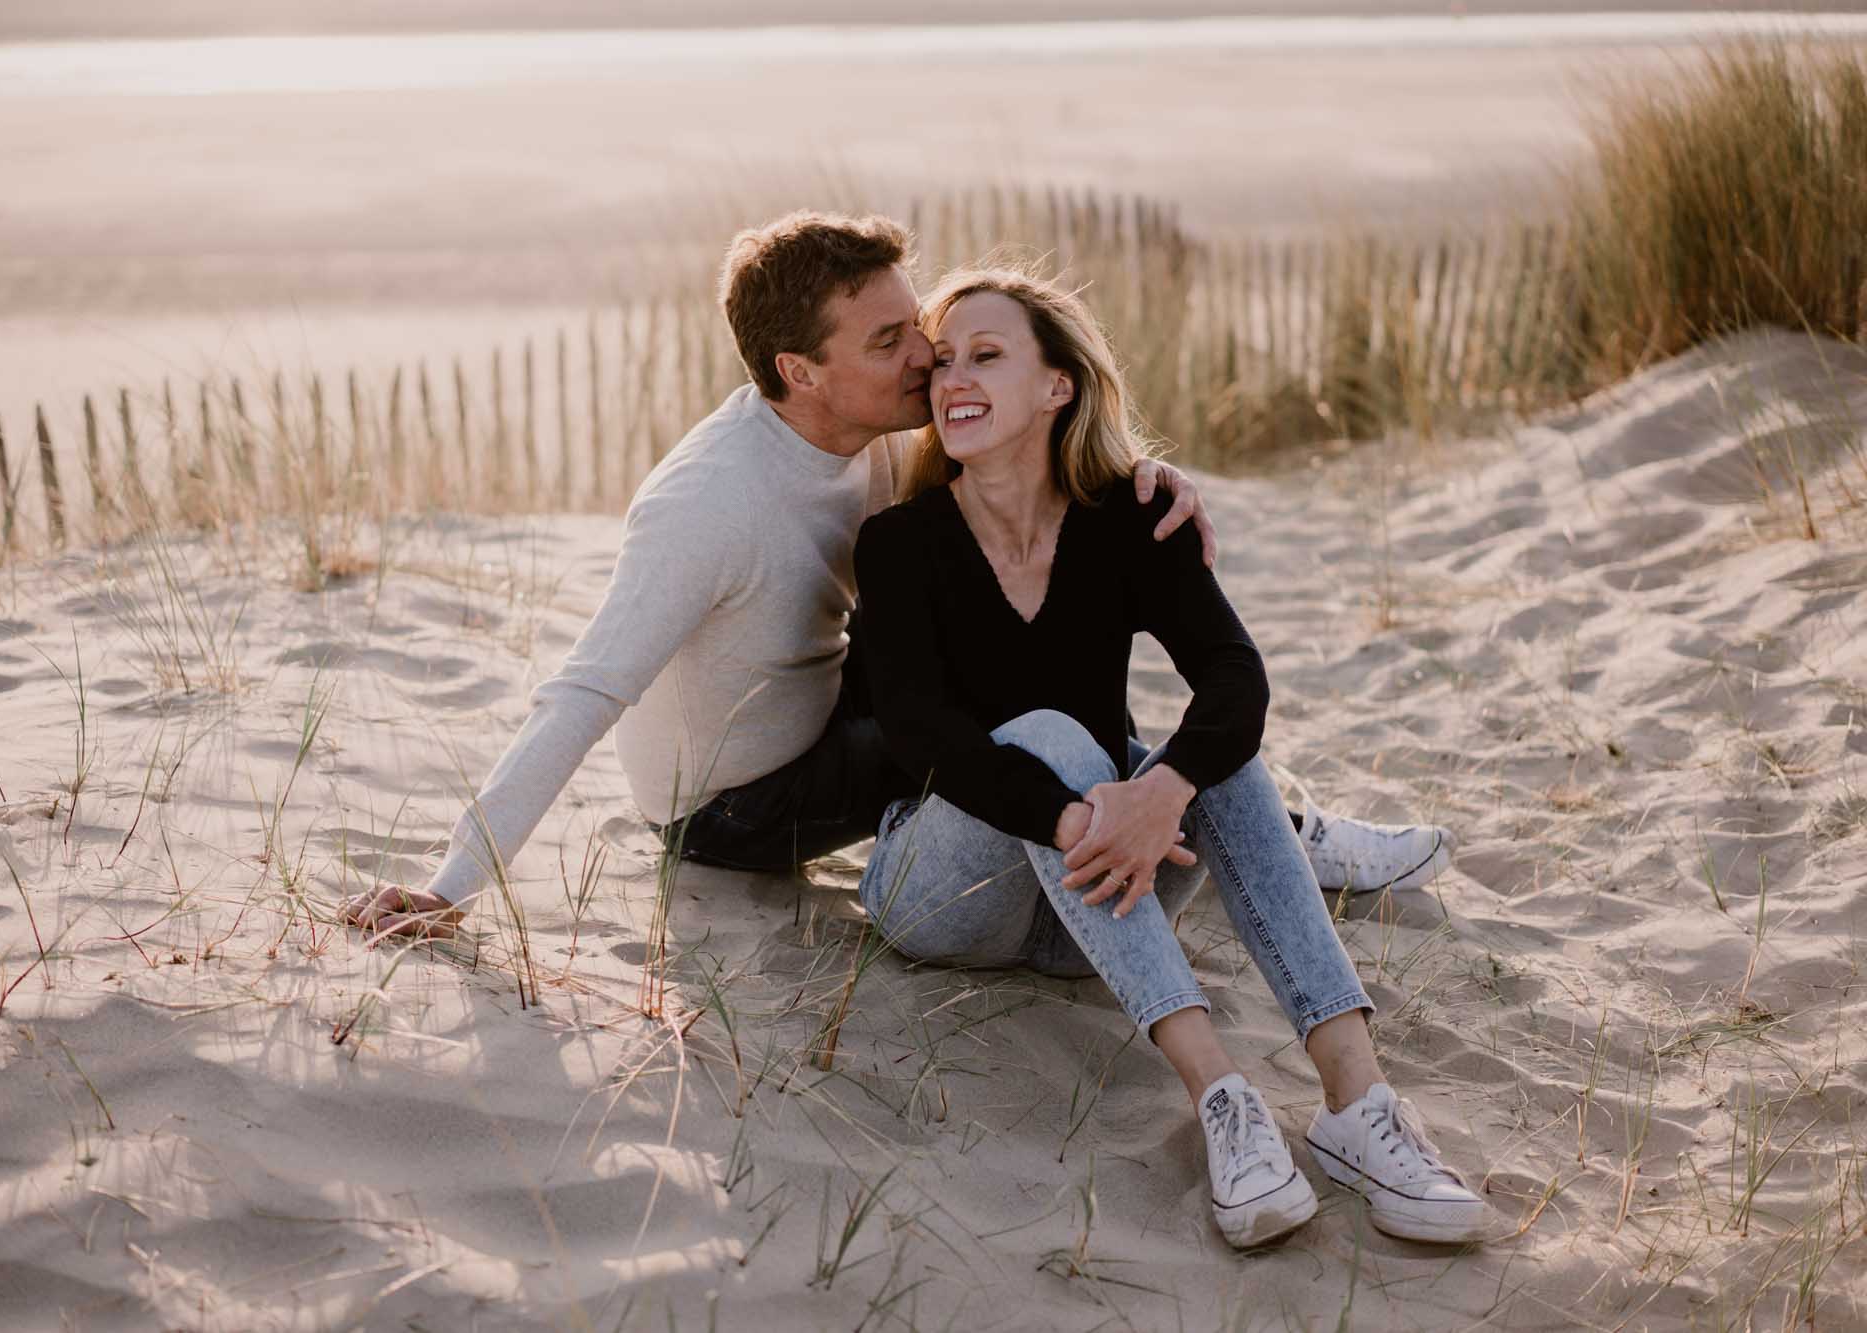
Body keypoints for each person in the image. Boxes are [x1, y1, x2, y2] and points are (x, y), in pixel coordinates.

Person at [343, 211, 1450, 948]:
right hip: (734, 805)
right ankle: (1233, 828)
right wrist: (451, 882)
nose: (927, 360)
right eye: (890, 342)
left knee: (1016, 630)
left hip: (838, 703)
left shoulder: (878, 425)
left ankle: (1236, 817)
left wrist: (1136, 478)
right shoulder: (706, 507)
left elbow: (1025, 481)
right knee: (1016, 711)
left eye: (915, 327)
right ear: (799, 371)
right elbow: (581, 693)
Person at [848, 265, 1489, 1249]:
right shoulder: (899, 542)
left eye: (985, 355)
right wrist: (1086, 814)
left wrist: (1161, 790)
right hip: (938, 891)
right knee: (1056, 735)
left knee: (1210, 754)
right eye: (941, 365)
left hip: (1087, 915)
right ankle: (1220, 1097)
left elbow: (1234, 681)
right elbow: (917, 730)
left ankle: (1356, 1104)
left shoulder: (1130, 520)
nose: (950, 381)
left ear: (1056, 385)